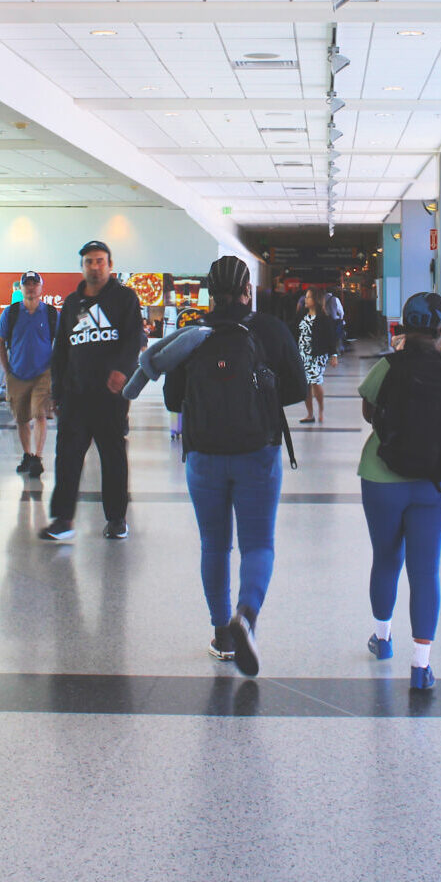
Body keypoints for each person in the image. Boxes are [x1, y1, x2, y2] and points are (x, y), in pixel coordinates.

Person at [164, 256, 307, 676]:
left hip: (204, 456)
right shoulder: (269, 330)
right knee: (258, 544)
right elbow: (297, 388)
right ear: (249, 291)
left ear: (210, 293)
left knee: (215, 545)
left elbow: (174, 401)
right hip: (257, 453)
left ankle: (222, 635)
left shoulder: (191, 333)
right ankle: (246, 615)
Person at [357, 293, 441, 692]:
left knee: (386, 559)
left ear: (403, 326)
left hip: (382, 477)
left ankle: (382, 641)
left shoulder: (388, 365)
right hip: (434, 482)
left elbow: (368, 411)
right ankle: (421, 666)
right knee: (425, 570)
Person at [41, 241, 143, 542]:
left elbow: (133, 339)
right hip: (75, 395)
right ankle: (62, 519)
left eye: (99, 261)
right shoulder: (73, 303)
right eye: (88, 261)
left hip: (109, 397)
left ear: (110, 265)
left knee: (112, 457)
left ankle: (116, 519)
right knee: (67, 457)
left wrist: (122, 371)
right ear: (82, 266)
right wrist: (56, 391)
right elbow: (61, 348)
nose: (94, 266)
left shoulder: (125, 298)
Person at [0, 271, 56, 476]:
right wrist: (7, 369)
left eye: (35, 284)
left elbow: (60, 341)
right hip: (17, 373)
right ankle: (27, 454)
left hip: (43, 372)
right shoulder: (10, 313)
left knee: (39, 414)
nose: (31, 287)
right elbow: (0, 341)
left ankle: (38, 457)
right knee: (21, 418)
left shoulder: (50, 313)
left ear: (41, 288)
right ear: (21, 288)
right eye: (27, 284)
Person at [297, 289, 338, 425]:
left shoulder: (324, 319)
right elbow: (294, 332)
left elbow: (331, 338)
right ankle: (310, 414)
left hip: (318, 355)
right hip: (303, 354)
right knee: (305, 385)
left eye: (308, 297)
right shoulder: (301, 315)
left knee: (315, 381)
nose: (305, 300)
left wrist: (334, 355)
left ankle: (320, 409)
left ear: (315, 300)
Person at [324, 288, 347, 366]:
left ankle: (327, 352)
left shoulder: (321, 299)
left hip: (325, 321)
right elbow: (341, 311)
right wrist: (341, 318)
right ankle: (338, 350)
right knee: (337, 336)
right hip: (335, 321)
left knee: (327, 337)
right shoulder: (335, 299)